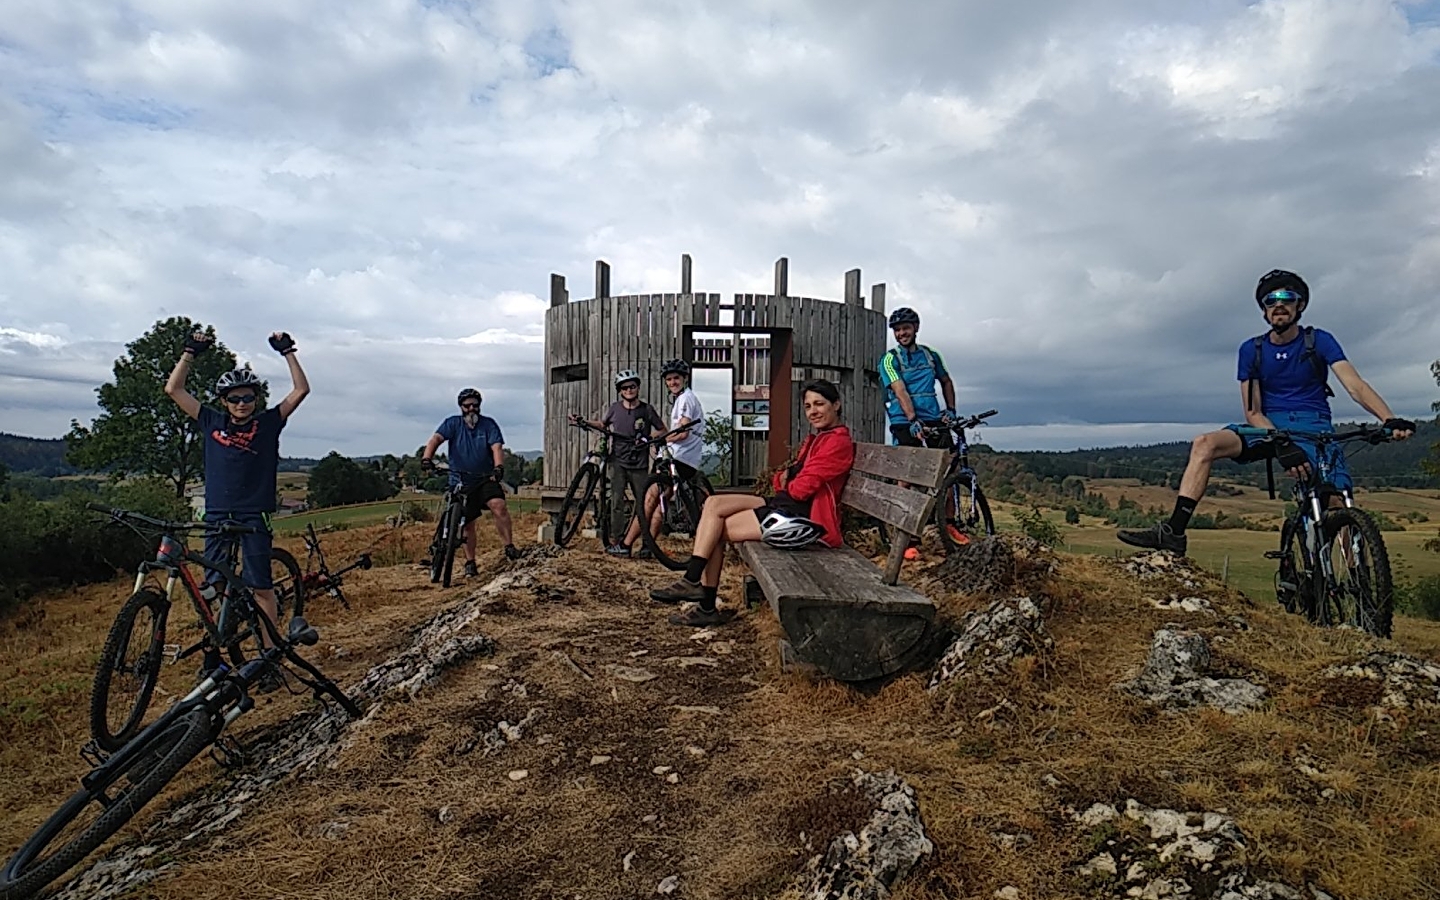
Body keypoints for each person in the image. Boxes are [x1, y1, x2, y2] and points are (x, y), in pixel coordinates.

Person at [1118, 269, 1415, 555]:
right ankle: (1174, 532)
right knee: (1204, 444)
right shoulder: (1252, 350)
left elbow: (1355, 385)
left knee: (1338, 504)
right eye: (1270, 300)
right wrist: (1281, 442)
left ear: (1300, 305)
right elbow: (1253, 411)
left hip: (1315, 429)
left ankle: (1358, 578)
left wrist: (1388, 418)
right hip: (1268, 427)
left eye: (1286, 298)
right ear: (1263, 310)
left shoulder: (1319, 340)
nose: (1278, 305)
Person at [164, 329, 310, 693]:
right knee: (212, 587)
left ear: (256, 399)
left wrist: (288, 352)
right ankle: (216, 653)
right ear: (224, 401)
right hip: (217, 513)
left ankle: (270, 660)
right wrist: (189, 352)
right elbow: (174, 390)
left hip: (253, 514)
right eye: (234, 398)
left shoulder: (268, 423)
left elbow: (300, 390)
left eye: (248, 397)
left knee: (261, 587)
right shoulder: (212, 421)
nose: (242, 403)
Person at [650, 379, 855, 627]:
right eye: (808, 406)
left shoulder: (837, 442)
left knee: (714, 530)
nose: (813, 411)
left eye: (819, 404)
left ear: (836, 405)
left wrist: (790, 479)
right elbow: (780, 481)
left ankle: (703, 600)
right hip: (783, 503)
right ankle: (693, 583)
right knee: (713, 504)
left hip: (802, 518)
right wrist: (789, 479)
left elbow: (800, 490)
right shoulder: (816, 440)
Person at [879, 306, 958, 559]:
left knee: (948, 467)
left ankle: (949, 523)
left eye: (906, 328)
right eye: (897, 330)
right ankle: (906, 534)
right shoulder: (889, 359)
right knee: (908, 474)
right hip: (904, 420)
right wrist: (912, 419)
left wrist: (951, 409)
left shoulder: (931, 355)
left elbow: (946, 381)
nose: (902, 333)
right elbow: (899, 390)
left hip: (933, 416)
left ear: (916, 328)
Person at [569, 369, 665, 557]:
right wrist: (584, 421)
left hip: (639, 464)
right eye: (624, 388)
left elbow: (662, 429)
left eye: (632, 386)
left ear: (638, 387)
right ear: (620, 391)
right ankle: (617, 541)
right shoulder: (615, 408)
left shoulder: (647, 410)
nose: (629, 390)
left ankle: (647, 544)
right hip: (618, 461)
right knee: (616, 502)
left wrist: (648, 437)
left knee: (644, 504)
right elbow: (602, 424)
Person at [422, 388, 519, 574]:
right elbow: (435, 439)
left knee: (499, 505)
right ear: (461, 407)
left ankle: (509, 546)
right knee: (467, 522)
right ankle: (470, 562)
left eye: (475, 405)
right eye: (467, 406)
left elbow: (497, 447)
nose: (471, 409)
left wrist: (499, 466)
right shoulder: (452, 423)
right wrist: (427, 458)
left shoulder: (488, 424)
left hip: (485, 477)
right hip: (460, 480)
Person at [627, 358, 707, 551]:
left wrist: (661, 440)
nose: (672, 382)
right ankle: (648, 547)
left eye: (676, 378)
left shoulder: (686, 399)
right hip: (688, 459)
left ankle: (625, 544)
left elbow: (683, 432)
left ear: (684, 378)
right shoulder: (684, 398)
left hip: (678, 457)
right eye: (669, 379)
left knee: (649, 500)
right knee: (660, 501)